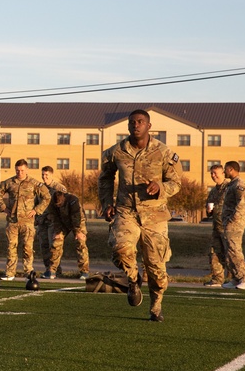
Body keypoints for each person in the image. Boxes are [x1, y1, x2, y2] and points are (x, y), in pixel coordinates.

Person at [99, 109, 181, 322]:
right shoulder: (116, 151)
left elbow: (176, 183)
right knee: (120, 248)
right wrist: (107, 203)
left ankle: (155, 306)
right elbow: (105, 179)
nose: (136, 125)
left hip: (155, 216)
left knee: (156, 268)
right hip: (126, 212)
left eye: (141, 122)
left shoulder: (163, 152)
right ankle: (134, 281)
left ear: (149, 126)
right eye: (132, 122)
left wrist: (160, 187)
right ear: (128, 126)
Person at [0, 160, 50, 280]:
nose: (20, 173)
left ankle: (29, 272)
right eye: (17, 170)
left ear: (27, 170)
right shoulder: (9, 182)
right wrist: (3, 208)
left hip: (27, 222)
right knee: (11, 247)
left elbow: (47, 197)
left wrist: (37, 210)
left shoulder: (34, 183)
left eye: (22, 170)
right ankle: (10, 273)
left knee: (27, 248)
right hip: (13, 221)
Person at [220, 160, 245, 290]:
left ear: (232, 169)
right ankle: (236, 278)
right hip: (228, 222)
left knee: (234, 250)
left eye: (226, 169)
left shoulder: (239, 184)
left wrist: (233, 220)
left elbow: (242, 204)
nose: (224, 171)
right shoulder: (231, 184)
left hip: (235, 223)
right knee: (229, 251)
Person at [46, 189, 90, 279]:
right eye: (57, 205)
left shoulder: (73, 200)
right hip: (62, 222)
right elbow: (54, 217)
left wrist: (78, 232)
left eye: (60, 204)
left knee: (81, 243)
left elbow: (76, 217)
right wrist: (57, 231)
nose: (58, 206)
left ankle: (84, 271)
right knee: (56, 243)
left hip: (78, 222)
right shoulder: (52, 203)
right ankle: (52, 270)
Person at [36, 165, 67, 276]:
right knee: (43, 247)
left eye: (46, 175)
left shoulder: (59, 188)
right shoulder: (39, 188)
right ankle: (48, 269)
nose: (44, 177)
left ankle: (54, 270)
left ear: (51, 175)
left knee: (53, 247)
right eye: (43, 175)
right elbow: (36, 204)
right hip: (42, 222)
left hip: (54, 222)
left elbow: (63, 206)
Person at [203, 164, 229, 287]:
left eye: (215, 173)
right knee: (214, 253)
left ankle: (237, 278)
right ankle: (217, 279)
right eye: (211, 173)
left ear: (223, 173)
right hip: (216, 227)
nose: (213, 176)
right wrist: (208, 211)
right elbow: (209, 205)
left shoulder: (229, 188)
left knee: (231, 254)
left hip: (227, 227)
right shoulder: (213, 191)